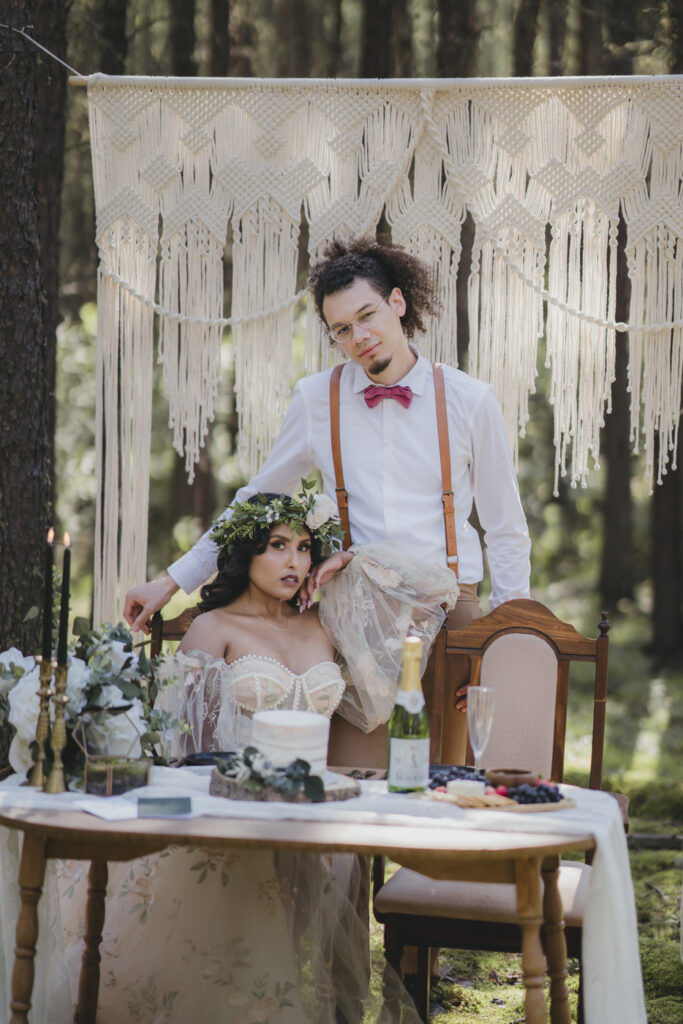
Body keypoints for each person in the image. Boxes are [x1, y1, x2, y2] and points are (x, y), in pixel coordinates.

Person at [124, 237, 531, 765]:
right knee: (348, 783)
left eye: (367, 316)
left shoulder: (471, 399)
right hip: (353, 621)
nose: (358, 337)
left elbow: (505, 530)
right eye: (342, 329)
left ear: (398, 303)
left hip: (454, 612)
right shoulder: (317, 399)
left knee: (449, 787)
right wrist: (172, 580)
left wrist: (500, 641)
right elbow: (257, 499)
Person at [58, 492, 429, 1024]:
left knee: (345, 854)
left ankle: (342, 1007)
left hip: (315, 805)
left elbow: (425, 595)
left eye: (304, 549)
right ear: (246, 554)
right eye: (277, 546)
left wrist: (348, 560)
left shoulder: (325, 624)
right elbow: (182, 750)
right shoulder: (215, 628)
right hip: (237, 809)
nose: (294, 562)